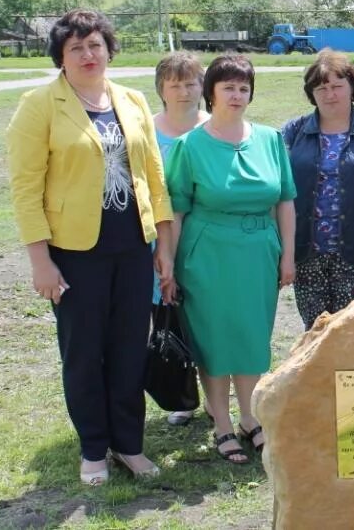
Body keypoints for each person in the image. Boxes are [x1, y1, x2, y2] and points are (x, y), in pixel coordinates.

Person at [6, 9, 172, 485]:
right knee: (84, 352)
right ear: (60, 55)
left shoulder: (133, 99)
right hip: (75, 253)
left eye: (95, 45)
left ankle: (129, 445)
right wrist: (40, 260)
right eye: (76, 47)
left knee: (128, 349)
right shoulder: (39, 104)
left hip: (134, 247)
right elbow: (25, 188)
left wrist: (162, 243)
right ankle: (94, 449)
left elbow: (154, 175)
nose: (87, 54)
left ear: (109, 49)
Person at [163, 55, 296, 465]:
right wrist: (167, 263)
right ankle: (221, 423)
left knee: (252, 337)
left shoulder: (271, 139)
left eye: (243, 88)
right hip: (207, 256)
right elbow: (177, 209)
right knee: (216, 341)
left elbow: (285, 200)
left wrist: (288, 254)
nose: (237, 95)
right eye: (228, 87)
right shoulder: (190, 146)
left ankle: (250, 418)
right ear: (211, 93)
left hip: (259, 252)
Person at [283, 49, 354, 329]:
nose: (329, 94)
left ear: (351, 87)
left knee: (353, 333)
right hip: (307, 254)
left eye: (337, 86)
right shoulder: (293, 132)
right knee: (316, 332)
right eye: (321, 88)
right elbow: (282, 196)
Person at [150, 51, 209, 427]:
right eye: (175, 84)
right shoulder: (144, 129)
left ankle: (216, 391)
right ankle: (182, 397)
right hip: (157, 234)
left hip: (203, 238)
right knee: (167, 314)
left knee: (204, 317)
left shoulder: (214, 127)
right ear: (162, 90)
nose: (184, 92)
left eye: (190, 83)